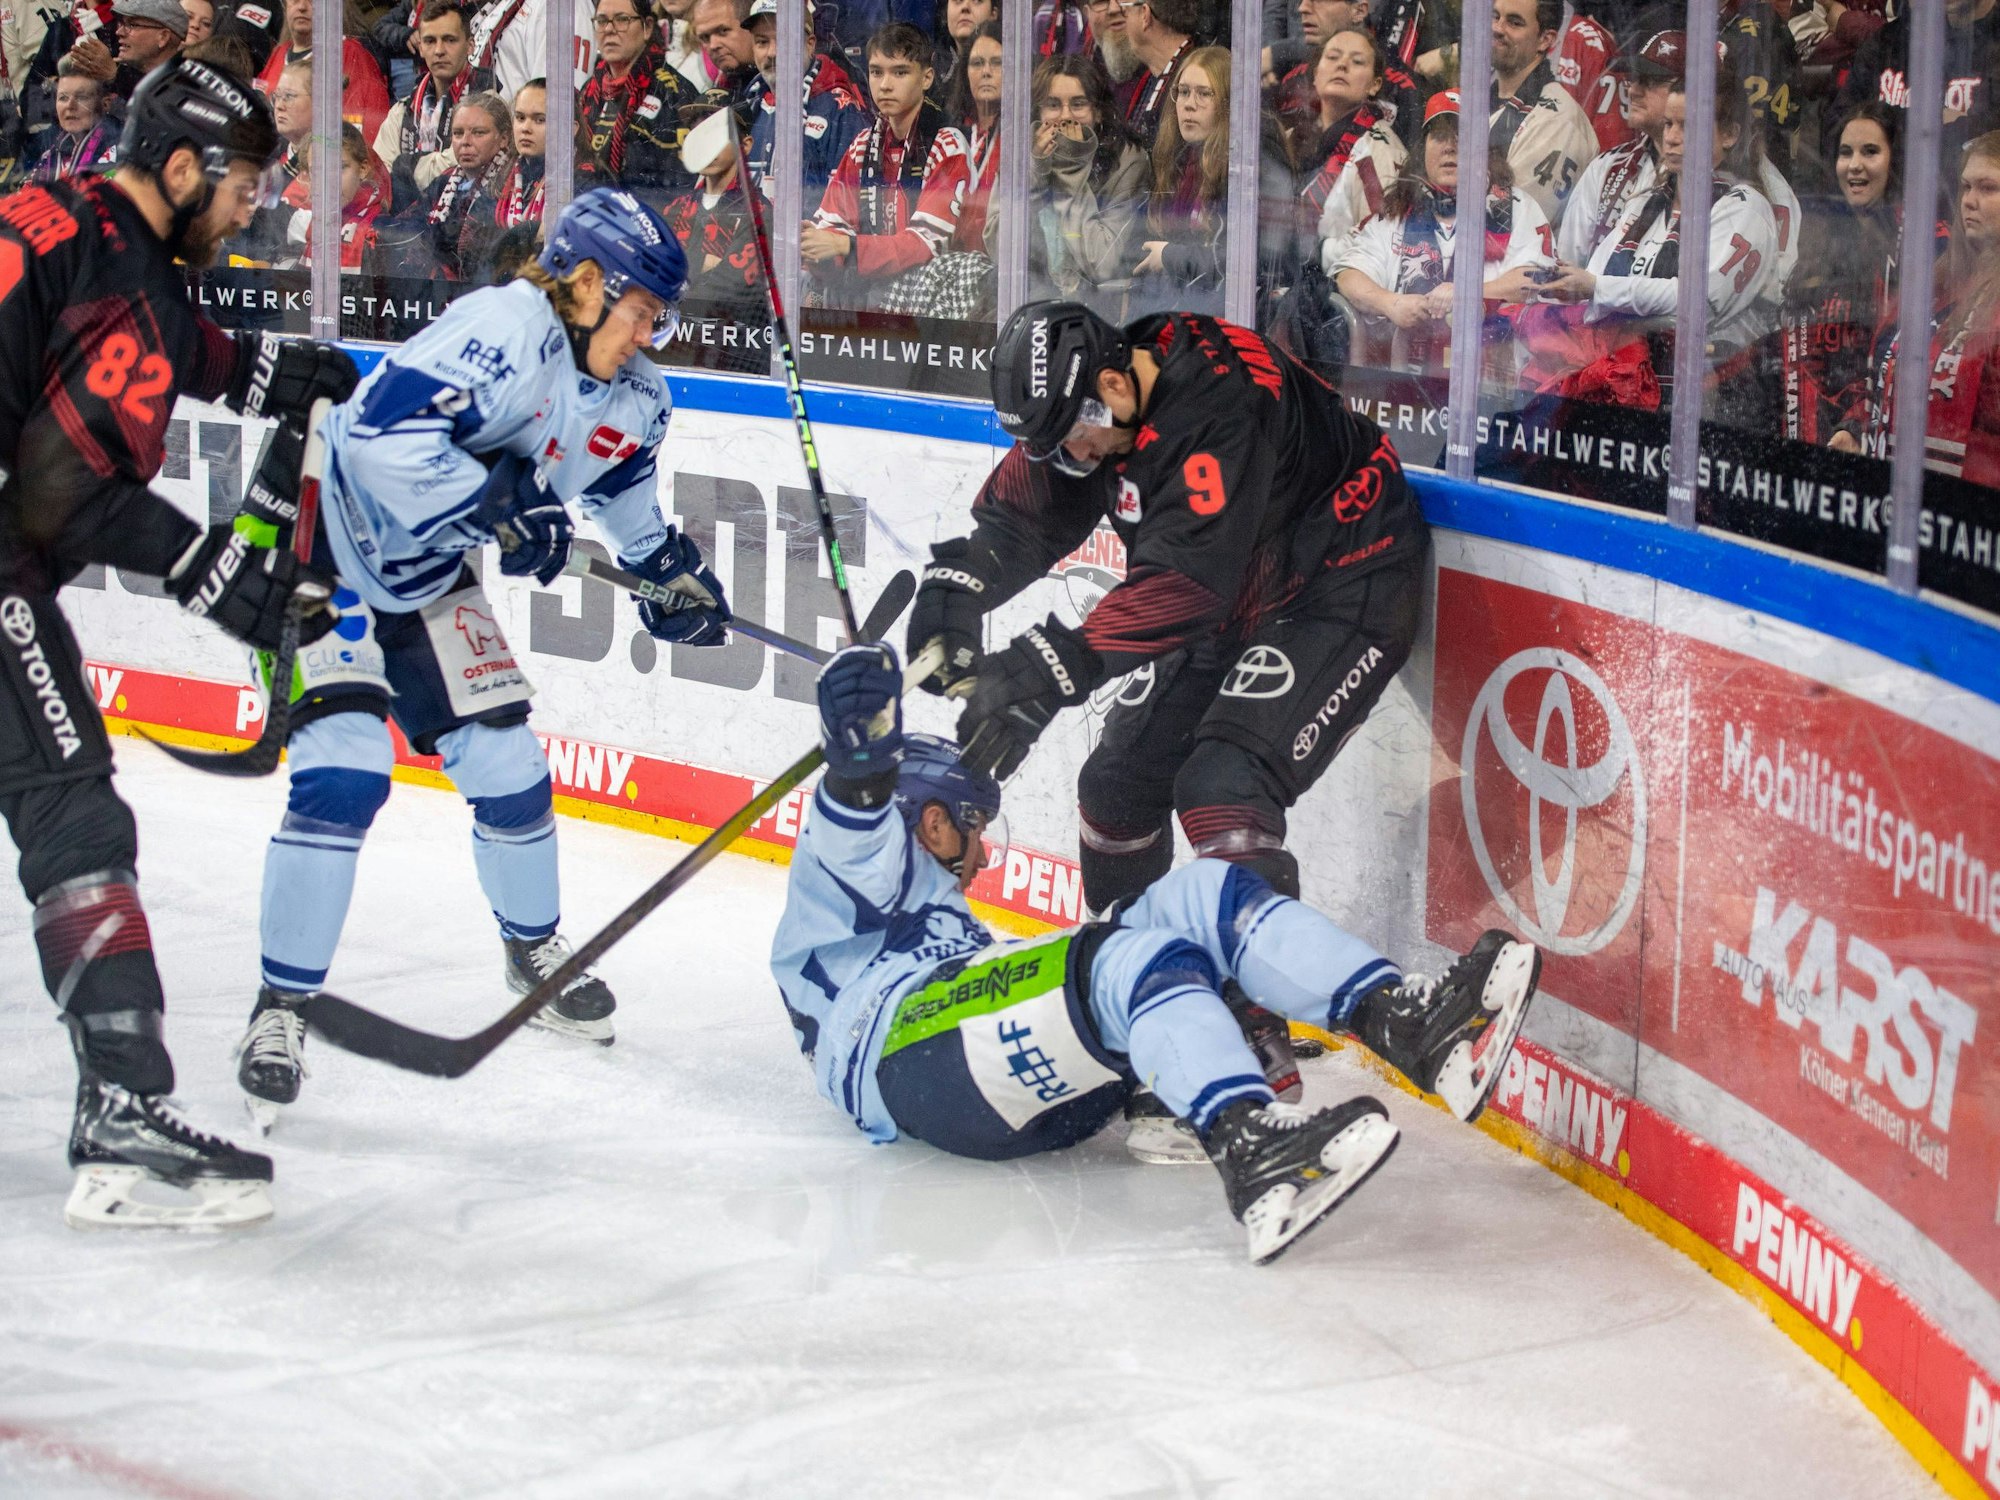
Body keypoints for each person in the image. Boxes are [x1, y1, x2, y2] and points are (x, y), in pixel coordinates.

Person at [231, 188, 734, 1128]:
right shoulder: (503, 325)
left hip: (428, 573)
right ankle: (281, 1008)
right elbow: (377, 435)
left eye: (659, 321)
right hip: (325, 545)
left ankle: (531, 950)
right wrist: (496, 501)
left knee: (508, 766)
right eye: (640, 315)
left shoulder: (636, 397)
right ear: (587, 284)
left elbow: (620, 504)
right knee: (344, 775)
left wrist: (669, 576)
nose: (649, 338)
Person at [775, 651, 1543, 1263]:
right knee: (1124, 962)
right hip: (910, 1055)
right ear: (935, 824)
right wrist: (862, 754)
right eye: (973, 827)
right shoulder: (843, 877)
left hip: (990, 1070)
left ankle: (1407, 1025)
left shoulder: (940, 914)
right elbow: (855, 815)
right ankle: (1251, 1149)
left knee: (1203, 895)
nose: (980, 854)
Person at [0, 57, 357, 1227]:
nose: (252, 203)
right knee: (72, 807)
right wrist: (214, 573)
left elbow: (117, 340)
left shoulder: (62, 209)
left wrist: (254, 369)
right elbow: (62, 495)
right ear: (185, 166)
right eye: (245, 180)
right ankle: (121, 1110)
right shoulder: (138, 281)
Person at [911, 298, 1428, 930]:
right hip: (1238, 592)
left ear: (1112, 385)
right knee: (1116, 790)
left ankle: (1259, 1015)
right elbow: (1024, 520)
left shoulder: (1221, 405)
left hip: (1343, 580)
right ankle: (1129, 973)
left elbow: (1185, 587)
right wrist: (959, 585)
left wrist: (1050, 668)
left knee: (1223, 790)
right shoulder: (1101, 405)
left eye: (1071, 437)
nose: (1070, 458)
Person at [1525, 75, 1780, 409]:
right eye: (1669, 124)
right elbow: (1598, 290)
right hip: (1621, 390)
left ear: (1730, 134)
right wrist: (1571, 284)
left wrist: (1596, 288)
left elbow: (1694, 304)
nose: (1671, 138)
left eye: (1688, 127)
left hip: (1710, 404)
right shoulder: (1646, 200)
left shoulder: (1747, 209)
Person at [1334, 90, 1553, 377]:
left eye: (1463, 135)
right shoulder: (1399, 210)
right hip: (1400, 391)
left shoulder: (1517, 208)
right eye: (1439, 136)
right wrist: (1391, 303)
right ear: (1422, 148)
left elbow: (1538, 279)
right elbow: (1348, 275)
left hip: (1491, 393)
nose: (1450, 147)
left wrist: (1469, 295)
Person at [1795, 103, 1945, 451]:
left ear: (1896, 161)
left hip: (1876, 442)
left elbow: (1913, 356)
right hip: (1817, 434)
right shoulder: (1826, 239)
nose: (1855, 165)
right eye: (1846, 153)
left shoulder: (1928, 242)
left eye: (1871, 151)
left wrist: (1858, 425)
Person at [802, 20, 971, 314]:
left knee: (872, 289)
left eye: (900, 72)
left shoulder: (947, 143)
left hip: (934, 294)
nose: (885, 85)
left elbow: (924, 246)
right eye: (876, 72)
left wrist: (846, 247)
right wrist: (815, 243)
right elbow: (831, 225)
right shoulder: (862, 145)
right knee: (806, 282)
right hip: (876, 281)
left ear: (927, 78)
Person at [1026, 50, 1149, 314]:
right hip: (1031, 297)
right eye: (1053, 105)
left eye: (1078, 104)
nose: (1065, 116)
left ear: (1099, 113)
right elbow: (1000, 246)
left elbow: (1101, 263)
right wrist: (1035, 171)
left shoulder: (1128, 160)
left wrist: (1070, 169)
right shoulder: (1025, 151)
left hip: (1095, 308)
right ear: (1038, 111)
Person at [1556, 26, 1677, 273]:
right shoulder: (1607, 167)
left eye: (1651, 81)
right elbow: (1568, 266)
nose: (1633, 90)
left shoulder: (1732, 175)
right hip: (1595, 309)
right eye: (1634, 79)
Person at [1297, 25, 1406, 272]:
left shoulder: (1378, 150)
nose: (1342, 65)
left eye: (1357, 62)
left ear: (1375, 85)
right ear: (1315, 74)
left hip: (1337, 299)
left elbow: (1382, 243)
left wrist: (1313, 252)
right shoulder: (1294, 139)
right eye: (1333, 57)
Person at [1129, 44, 1227, 314]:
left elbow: (1236, 263)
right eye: (1183, 92)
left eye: (1204, 94)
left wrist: (1170, 257)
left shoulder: (1238, 171)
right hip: (1167, 312)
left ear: (1228, 103)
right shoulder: (1174, 160)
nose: (1189, 104)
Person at [574, 0, 702, 207]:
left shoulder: (674, 94)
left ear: (647, 27)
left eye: (622, 20)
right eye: (601, 21)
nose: (609, 30)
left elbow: (682, 188)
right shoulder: (589, 91)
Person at [1487, 0, 1596, 230]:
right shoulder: (1477, 100)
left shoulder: (1561, 122)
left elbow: (1514, 226)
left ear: (1545, 40)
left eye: (1514, 22)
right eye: (1495, 16)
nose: (1497, 28)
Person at [373, 0, 490, 212]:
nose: (439, 50)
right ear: (420, 47)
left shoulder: (489, 104)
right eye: (429, 41)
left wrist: (404, 167)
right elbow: (380, 177)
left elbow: (464, 166)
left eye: (449, 40)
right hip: (407, 233)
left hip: (464, 228)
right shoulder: (402, 110)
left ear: (470, 46)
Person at [744, 0, 868, 199]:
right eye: (762, 42)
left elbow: (848, 204)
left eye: (784, 39)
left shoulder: (838, 109)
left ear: (810, 44)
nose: (772, 53)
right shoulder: (749, 104)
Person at [401, 85, 509, 279]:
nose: (465, 142)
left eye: (478, 133)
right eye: (458, 133)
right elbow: (408, 226)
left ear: (504, 139)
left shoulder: (510, 187)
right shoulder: (444, 182)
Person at [254, 0, 390, 142]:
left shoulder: (350, 54)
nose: (301, 7)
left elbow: (361, 137)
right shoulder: (279, 53)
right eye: (295, 0)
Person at [276, 118, 383, 267]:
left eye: (339, 168)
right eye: (317, 171)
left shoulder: (381, 231)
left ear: (363, 169)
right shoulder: (305, 222)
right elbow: (262, 211)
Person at [1115, 0, 1199, 150]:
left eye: (1125, 11)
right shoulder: (1153, 75)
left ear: (1145, 15)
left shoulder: (1193, 83)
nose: (1123, 21)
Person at [64, 0, 186, 103]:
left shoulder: (188, 81)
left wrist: (115, 75)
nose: (119, 32)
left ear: (163, 37)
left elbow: (163, 108)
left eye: (132, 25)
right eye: (121, 23)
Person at [467, 0, 592, 97]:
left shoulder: (566, 7)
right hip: (479, 122)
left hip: (515, 126)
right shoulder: (499, 5)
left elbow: (556, 105)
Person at [951, 19, 1000, 253]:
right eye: (977, 63)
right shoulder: (953, 133)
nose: (986, 72)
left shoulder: (1022, 136)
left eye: (997, 63)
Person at [27, 56, 116, 180]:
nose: (70, 106)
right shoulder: (49, 156)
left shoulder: (116, 154)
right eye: (63, 98)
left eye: (81, 97)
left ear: (105, 104)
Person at [492, 73, 542, 228]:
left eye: (540, 120)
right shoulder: (500, 176)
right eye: (520, 118)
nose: (526, 128)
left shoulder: (582, 180)